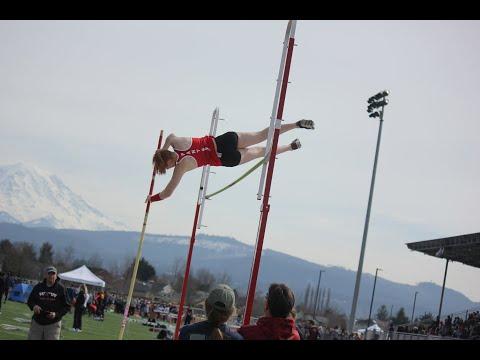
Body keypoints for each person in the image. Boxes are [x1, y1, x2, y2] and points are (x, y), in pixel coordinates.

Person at [145, 120, 315, 202]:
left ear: (167, 162)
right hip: (225, 140)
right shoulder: (177, 142)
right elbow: (169, 136)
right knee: (262, 135)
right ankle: (296, 124)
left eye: (166, 168)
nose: (169, 169)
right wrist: (163, 148)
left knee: (262, 152)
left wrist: (151, 199)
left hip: (226, 158)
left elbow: (167, 193)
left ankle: (291, 147)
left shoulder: (180, 168)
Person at [27, 266, 71, 340]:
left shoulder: (61, 288)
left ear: (56, 276)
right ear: (45, 275)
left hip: (53, 324)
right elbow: (30, 301)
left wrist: (56, 314)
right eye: (49, 274)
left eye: (53, 274)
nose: (51, 276)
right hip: (37, 322)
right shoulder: (38, 287)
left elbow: (67, 306)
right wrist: (34, 306)